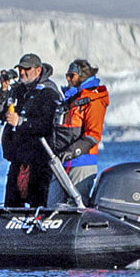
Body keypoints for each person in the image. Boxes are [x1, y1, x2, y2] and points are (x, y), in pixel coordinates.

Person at [0, 53, 61, 207]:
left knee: (38, 206)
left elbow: (48, 124)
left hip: (39, 160)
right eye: (20, 69)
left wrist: (21, 122)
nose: (22, 72)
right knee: (11, 206)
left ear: (38, 70)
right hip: (18, 158)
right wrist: (3, 90)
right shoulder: (17, 90)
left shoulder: (49, 92)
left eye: (27, 69)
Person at [47, 59, 110, 205]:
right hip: (61, 162)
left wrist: (72, 151)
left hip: (81, 163)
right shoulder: (70, 99)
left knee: (76, 206)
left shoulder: (93, 99)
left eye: (72, 75)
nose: (68, 79)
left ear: (83, 75)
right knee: (52, 206)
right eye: (67, 75)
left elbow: (93, 134)